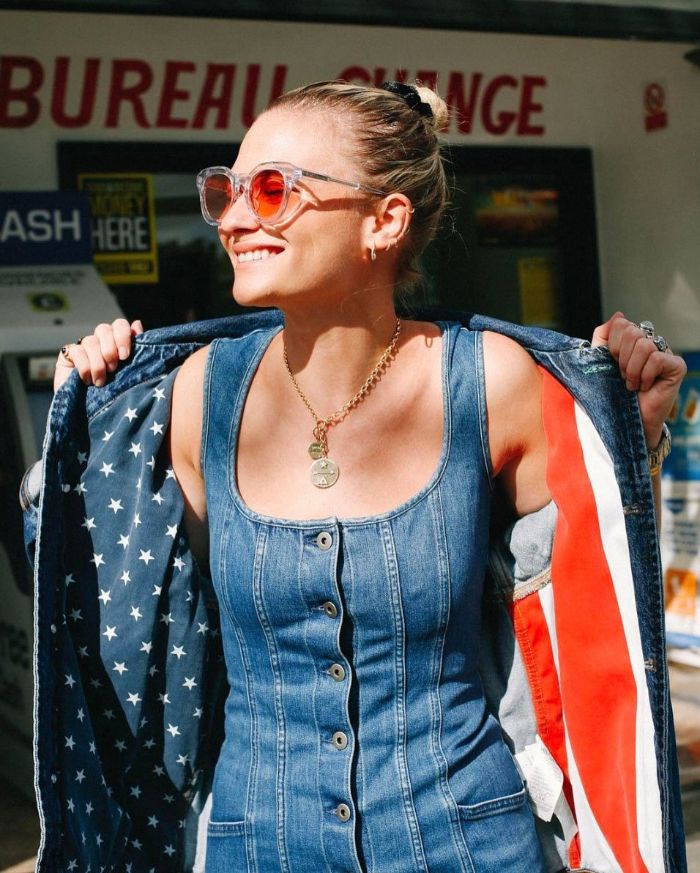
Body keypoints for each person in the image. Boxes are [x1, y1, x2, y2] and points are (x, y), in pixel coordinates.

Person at [37, 81, 686, 872]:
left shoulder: (488, 382)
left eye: (273, 189)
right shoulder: (197, 395)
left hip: (468, 842)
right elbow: (125, 606)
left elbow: (588, 592)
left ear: (384, 221)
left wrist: (627, 438)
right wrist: (93, 425)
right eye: (225, 192)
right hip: (253, 846)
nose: (237, 218)